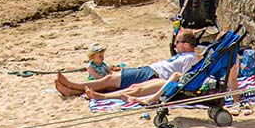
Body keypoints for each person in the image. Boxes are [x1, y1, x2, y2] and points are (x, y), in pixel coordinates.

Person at [53, 29, 202, 98]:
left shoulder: (189, 58)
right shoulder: (185, 55)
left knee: (109, 80)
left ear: (187, 44)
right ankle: (72, 91)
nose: (174, 44)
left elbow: (185, 78)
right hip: (149, 71)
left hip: (152, 75)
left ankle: (73, 85)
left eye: (178, 42)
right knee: (112, 83)